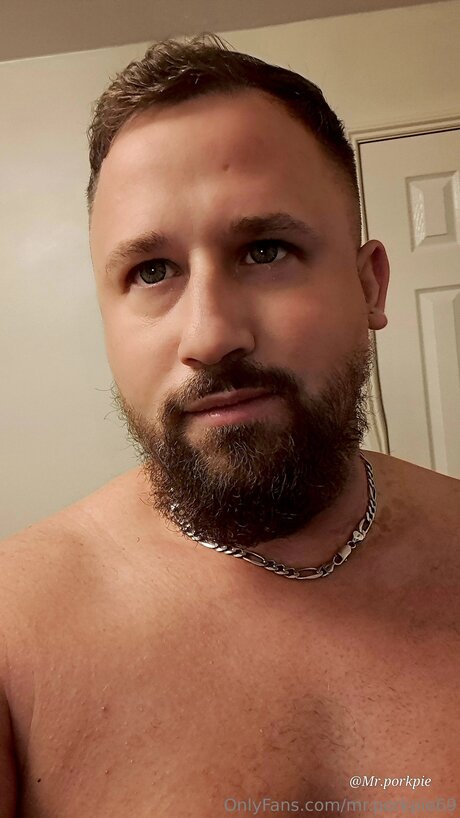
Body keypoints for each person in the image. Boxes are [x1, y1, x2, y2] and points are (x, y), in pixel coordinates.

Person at [1, 32, 458, 818]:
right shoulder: (14, 632)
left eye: (265, 250)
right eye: (151, 271)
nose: (210, 336)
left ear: (370, 286)